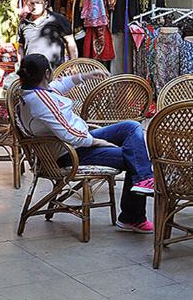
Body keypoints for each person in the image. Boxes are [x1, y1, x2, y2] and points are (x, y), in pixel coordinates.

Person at [15, 53, 156, 233]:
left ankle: (143, 180)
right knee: (135, 156)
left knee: (131, 127)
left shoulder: (33, 92)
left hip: (77, 143)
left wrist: (84, 76)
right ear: (47, 74)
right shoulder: (41, 101)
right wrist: (99, 142)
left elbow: (58, 86)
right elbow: (70, 135)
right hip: (69, 153)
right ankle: (132, 217)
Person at [17, 0, 77, 69]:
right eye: (31, 3)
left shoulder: (57, 19)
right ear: (27, 4)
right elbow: (20, 47)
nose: (34, 6)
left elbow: (70, 43)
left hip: (55, 71)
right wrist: (21, 67)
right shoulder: (23, 23)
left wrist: (73, 65)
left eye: (38, 3)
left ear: (45, 4)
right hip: (32, 71)